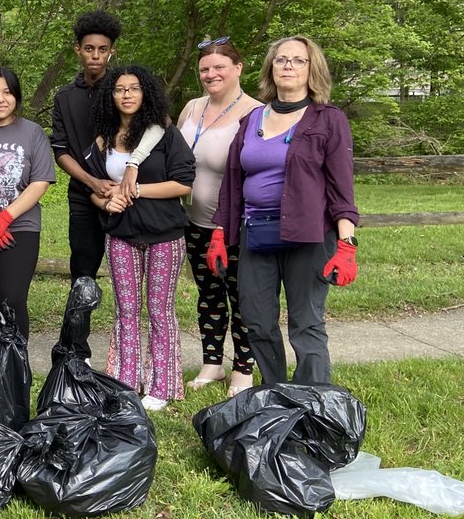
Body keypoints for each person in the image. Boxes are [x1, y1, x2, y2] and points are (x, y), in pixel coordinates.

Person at [209, 36, 359, 386]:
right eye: (281, 60)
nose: (288, 66)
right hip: (256, 235)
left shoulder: (328, 120)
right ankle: (275, 394)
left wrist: (346, 244)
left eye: (298, 61)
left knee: (306, 324)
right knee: (257, 322)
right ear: (270, 69)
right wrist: (220, 233)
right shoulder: (251, 120)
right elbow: (232, 181)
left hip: (308, 237)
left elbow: (342, 189)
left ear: (312, 70)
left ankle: (314, 399)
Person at [51, 11, 161, 357]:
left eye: (103, 49)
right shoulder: (65, 97)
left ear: (111, 52)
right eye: (89, 49)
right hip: (85, 197)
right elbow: (61, 151)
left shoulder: (126, 88)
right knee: (83, 272)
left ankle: (137, 351)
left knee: (135, 281)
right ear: (77, 51)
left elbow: (157, 125)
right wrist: (91, 182)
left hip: (127, 196)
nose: (95, 56)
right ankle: (74, 348)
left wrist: (127, 174)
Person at [86, 65, 195, 412]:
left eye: (134, 88)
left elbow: (183, 183)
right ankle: (126, 379)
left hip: (164, 233)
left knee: (160, 311)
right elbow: (94, 189)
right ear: (111, 96)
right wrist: (106, 199)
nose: (127, 94)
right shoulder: (103, 138)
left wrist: (135, 189)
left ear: (145, 93)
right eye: (120, 89)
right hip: (120, 234)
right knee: (126, 309)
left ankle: (162, 385)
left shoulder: (164, 133)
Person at [176, 38, 262, 397]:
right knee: (207, 293)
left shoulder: (256, 113)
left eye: (218, 68)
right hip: (193, 222)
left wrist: (229, 224)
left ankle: (243, 368)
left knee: (241, 296)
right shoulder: (192, 108)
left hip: (236, 225)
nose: (210, 74)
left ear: (238, 68)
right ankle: (212, 362)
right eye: (204, 69)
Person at [0, 66, 55, 339]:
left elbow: (39, 182)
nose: (0, 99)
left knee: (12, 298)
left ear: (16, 96)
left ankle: (17, 365)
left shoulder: (33, 133)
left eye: (7, 92)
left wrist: (4, 218)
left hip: (21, 228)